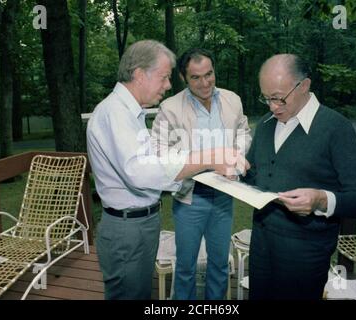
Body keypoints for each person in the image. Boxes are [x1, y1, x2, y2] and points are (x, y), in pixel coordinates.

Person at [86, 40, 248, 300]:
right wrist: (209, 158)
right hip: (129, 227)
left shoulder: (130, 114)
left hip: (142, 221)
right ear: (140, 75)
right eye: (163, 77)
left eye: (209, 74)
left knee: (137, 292)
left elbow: (148, 163)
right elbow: (140, 173)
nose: (168, 84)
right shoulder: (115, 113)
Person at [244, 54, 356, 299]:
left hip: (306, 255)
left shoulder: (336, 128)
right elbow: (256, 179)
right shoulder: (265, 125)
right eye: (267, 98)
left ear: (304, 85)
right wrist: (239, 172)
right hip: (261, 245)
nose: (273, 106)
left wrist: (321, 200)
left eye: (279, 97)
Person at [151, 48, 252, 299]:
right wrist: (202, 161)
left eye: (209, 74)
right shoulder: (170, 108)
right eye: (196, 77)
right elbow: (159, 155)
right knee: (186, 266)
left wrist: (236, 154)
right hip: (190, 197)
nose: (205, 82)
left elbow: (243, 131)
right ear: (184, 78)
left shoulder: (232, 100)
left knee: (219, 264)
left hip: (224, 195)